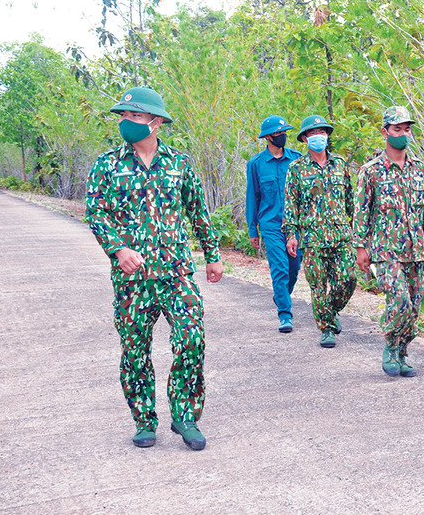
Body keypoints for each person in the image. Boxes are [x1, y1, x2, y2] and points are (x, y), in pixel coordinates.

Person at [85, 86, 224, 451]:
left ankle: (185, 415)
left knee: (192, 338)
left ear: (156, 121)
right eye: (124, 116)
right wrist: (117, 249)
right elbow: (96, 213)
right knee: (134, 350)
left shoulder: (180, 163)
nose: (126, 122)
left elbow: (198, 212)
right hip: (132, 279)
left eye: (135, 116)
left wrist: (212, 254)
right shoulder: (107, 165)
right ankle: (144, 420)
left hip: (177, 272)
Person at [353, 106, 424, 377]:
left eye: (406, 129)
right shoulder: (371, 171)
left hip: (415, 250)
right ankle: (390, 347)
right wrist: (360, 246)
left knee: (414, 307)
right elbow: (361, 211)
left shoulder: (420, 170)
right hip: (385, 250)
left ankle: (403, 352)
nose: (403, 134)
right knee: (399, 298)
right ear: (385, 132)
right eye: (397, 129)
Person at [283, 114, 355, 349]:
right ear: (304, 138)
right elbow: (291, 204)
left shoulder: (341, 165)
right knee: (318, 285)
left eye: (322, 133)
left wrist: (357, 231)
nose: (318, 137)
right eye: (313, 134)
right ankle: (326, 329)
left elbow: (350, 201)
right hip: (312, 238)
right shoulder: (296, 169)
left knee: (348, 279)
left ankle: (332, 310)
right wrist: (291, 235)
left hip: (341, 235)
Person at [246, 115, 303, 333]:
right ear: (268, 137)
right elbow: (253, 198)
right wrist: (254, 230)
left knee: (293, 267)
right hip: (270, 225)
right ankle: (285, 315)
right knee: (279, 267)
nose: (283, 137)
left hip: (295, 227)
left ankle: (281, 295)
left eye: (284, 133)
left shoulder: (296, 160)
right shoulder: (256, 164)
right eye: (278, 134)